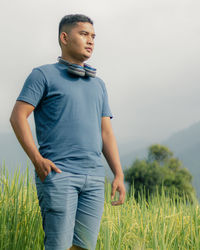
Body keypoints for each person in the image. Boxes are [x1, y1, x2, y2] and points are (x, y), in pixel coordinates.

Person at [9, 14, 126, 250]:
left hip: (93, 179)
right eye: (84, 34)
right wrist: (36, 159)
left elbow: (106, 133)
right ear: (64, 37)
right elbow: (17, 116)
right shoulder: (42, 75)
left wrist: (118, 174)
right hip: (59, 174)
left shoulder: (98, 84)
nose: (91, 40)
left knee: (84, 247)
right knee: (59, 247)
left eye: (93, 36)